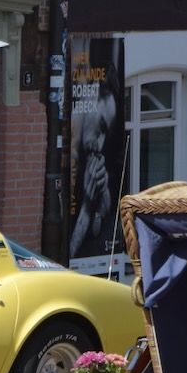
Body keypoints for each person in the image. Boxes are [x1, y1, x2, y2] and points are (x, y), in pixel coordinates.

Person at [69, 66, 120, 259]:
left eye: (106, 134)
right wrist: (86, 207)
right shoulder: (68, 156)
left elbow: (100, 237)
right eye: (101, 128)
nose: (100, 143)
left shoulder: (92, 165)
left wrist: (100, 199)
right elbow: (68, 253)